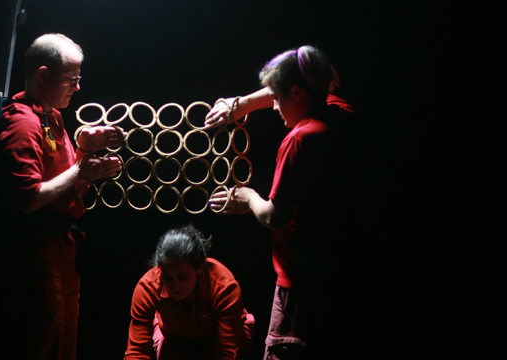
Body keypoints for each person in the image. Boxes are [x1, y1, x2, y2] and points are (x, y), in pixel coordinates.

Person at [208, 46, 360, 359]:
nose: (275, 107)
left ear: (296, 92)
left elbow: (275, 216)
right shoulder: (341, 111)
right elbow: (304, 77)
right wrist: (243, 104)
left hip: (298, 287)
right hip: (338, 273)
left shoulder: (301, 139)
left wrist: (245, 196)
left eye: (277, 98)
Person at [0, 33, 125, 360]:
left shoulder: (50, 115)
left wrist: (85, 149)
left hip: (64, 251)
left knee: (62, 346)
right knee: (38, 344)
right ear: (43, 75)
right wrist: (82, 171)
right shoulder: (23, 122)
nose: (78, 87)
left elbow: (61, 175)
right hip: (39, 253)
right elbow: (26, 198)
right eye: (73, 78)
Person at [124, 224, 254, 360]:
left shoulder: (224, 287)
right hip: (172, 336)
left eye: (183, 277)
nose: (175, 286)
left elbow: (228, 353)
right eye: (168, 277)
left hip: (216, 337)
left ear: (199, 267)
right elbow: (136, 352)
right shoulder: (148, 287)